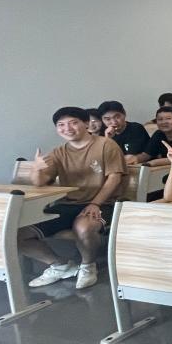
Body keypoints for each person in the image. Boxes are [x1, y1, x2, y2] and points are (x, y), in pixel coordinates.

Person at [21, 107, 127, 290]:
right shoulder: (58, 152)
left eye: (73, 122)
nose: (67, 128)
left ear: (86, 124)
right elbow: (39, 182)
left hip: (104, 203)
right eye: (61, 125)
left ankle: (88, 266)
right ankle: (59, 265)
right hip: (68, 204)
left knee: (83, 227)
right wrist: (36, 168)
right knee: (18, 235)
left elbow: (114, 178)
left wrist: (95, 203)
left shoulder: (106, 145)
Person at [98, 100, 151, 165]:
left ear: (124, 114)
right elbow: (101, 158)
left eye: (117, 117)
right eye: (108, 119)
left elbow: (130, 158)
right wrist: (108, 139)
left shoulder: (136, 128)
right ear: (102, 120)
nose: (114, 122)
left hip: (140, 165)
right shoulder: (103, 133)